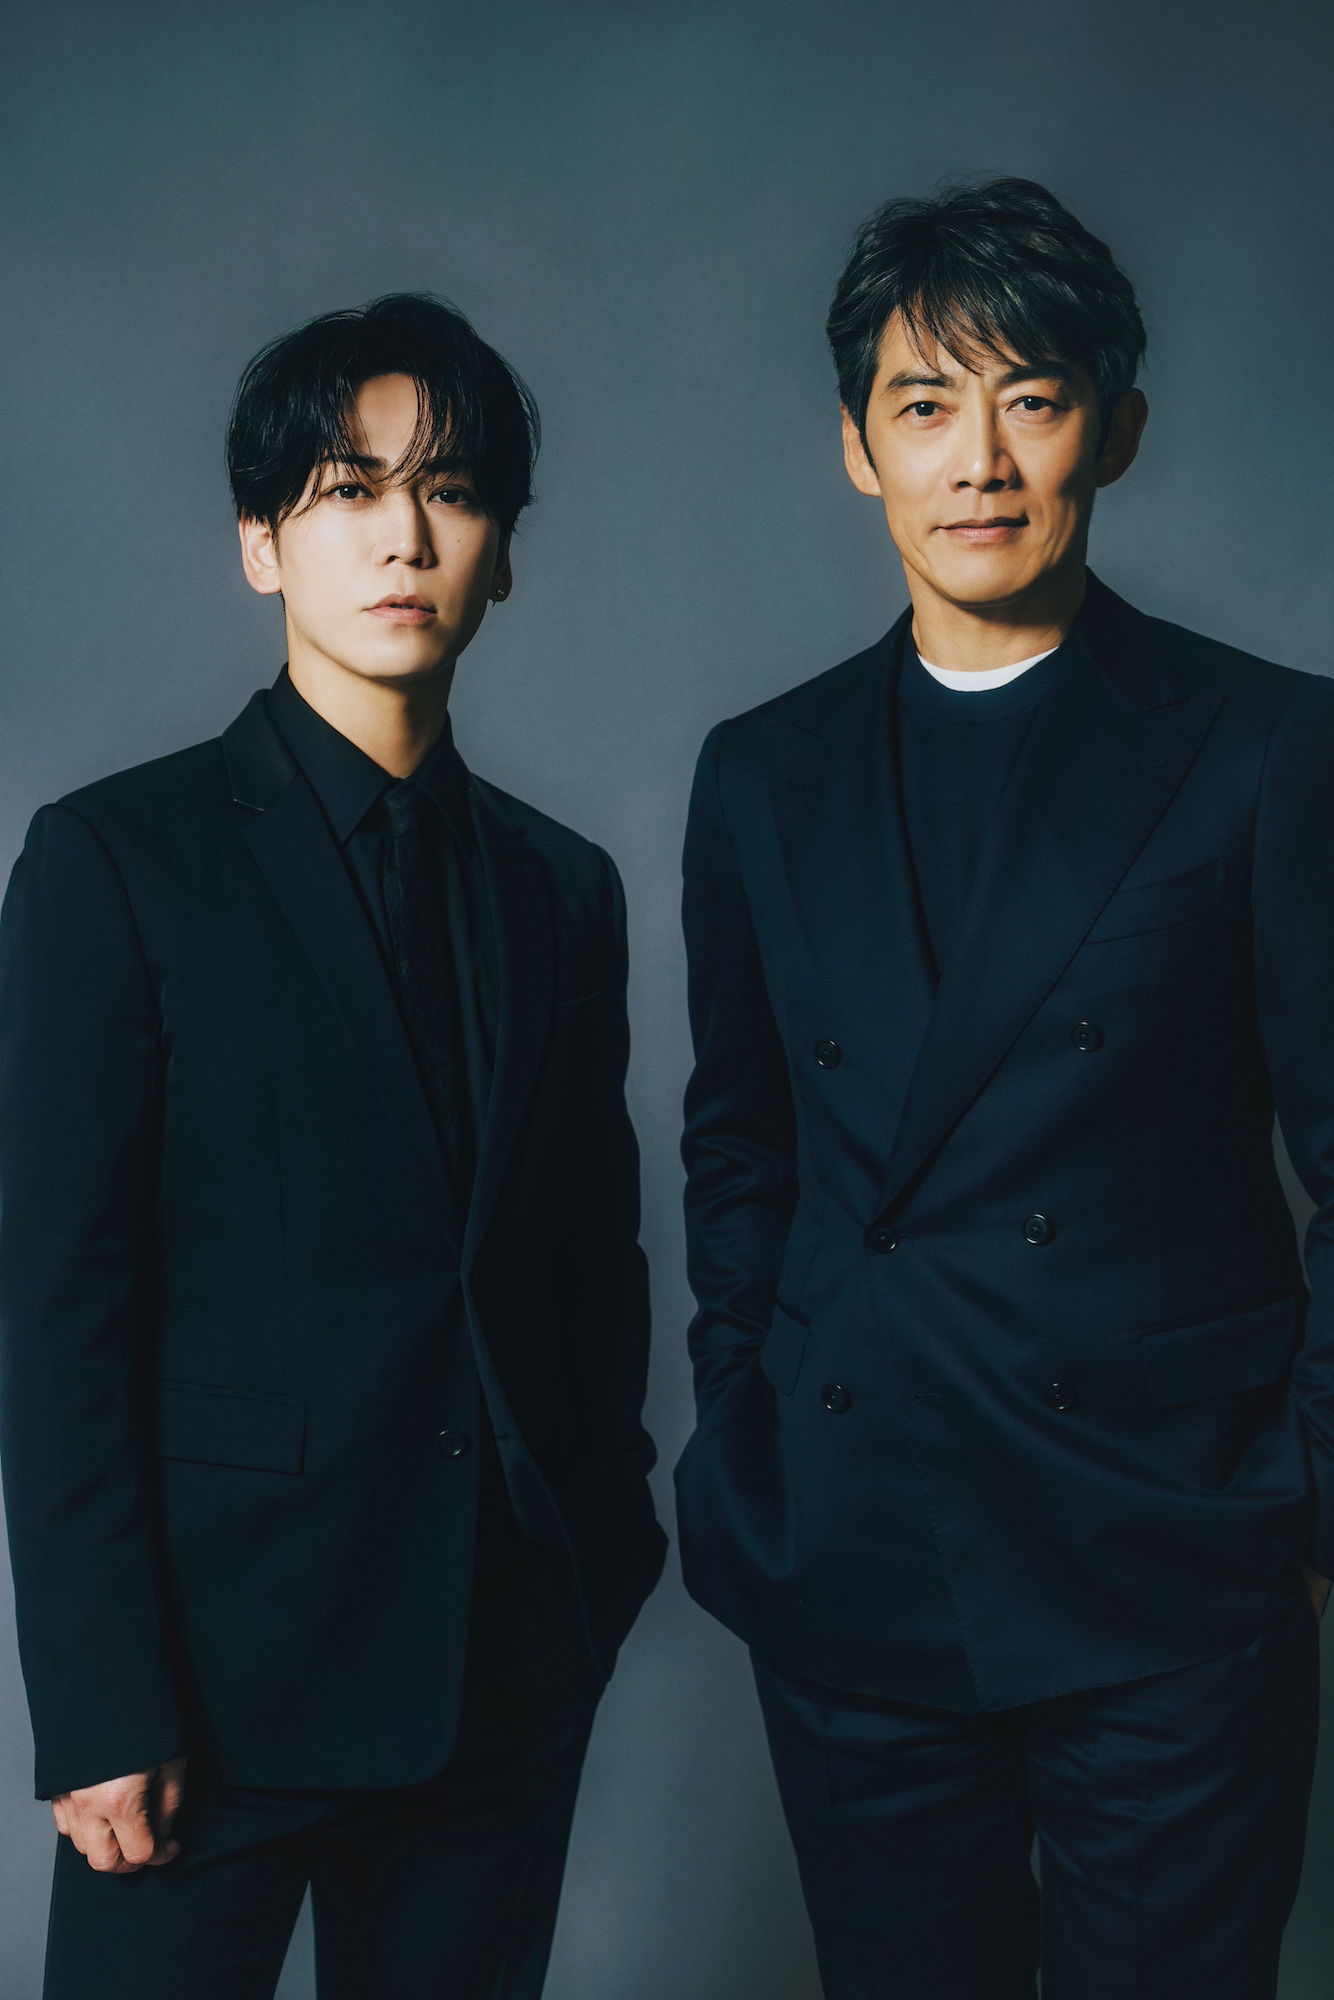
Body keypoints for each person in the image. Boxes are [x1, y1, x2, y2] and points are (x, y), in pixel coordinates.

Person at [675, 178, 1333, 1998]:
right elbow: (739, 1144)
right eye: (923, 405)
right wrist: (743, 1426)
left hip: (1164, 1558)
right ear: (856, 447)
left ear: (1114, 432)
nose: (976, 461)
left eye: (1029, 399)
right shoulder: (762, 773)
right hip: (851, 1546)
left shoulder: (1264, 744)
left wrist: (1308, 1500)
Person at [0, 292, 666, 1998]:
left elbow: (588, 1265)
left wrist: (599, 1557)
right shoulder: (116, 863)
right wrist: (97, 1702)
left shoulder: (562, 887)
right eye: (348, 489)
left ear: (500, 555)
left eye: (450, 491)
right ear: (260, 545)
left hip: (495, 1669)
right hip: (206, 1693)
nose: (402, 537)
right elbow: (56, 1312)